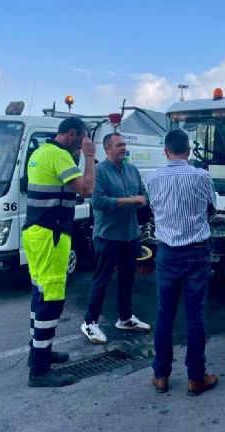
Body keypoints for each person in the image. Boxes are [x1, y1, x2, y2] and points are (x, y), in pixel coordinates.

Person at [23, 117, 96, 387]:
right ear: (74, 134)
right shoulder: (58, 155)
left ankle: (38, 352)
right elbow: (87, 189)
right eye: (83, 138)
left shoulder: (41, 152)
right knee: (51, 299)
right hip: (51, 233)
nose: (85, 144)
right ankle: (40, 371)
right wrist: (89, 157)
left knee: (38, 294)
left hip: (35, 231)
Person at [146, 129, 219, 396]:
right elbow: (212, 208)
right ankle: (196, 378)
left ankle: (160, 376)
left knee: (164, 315)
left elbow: (154, 210)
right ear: (188, 151)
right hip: (196, 252)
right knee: (195, 316)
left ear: (165, 152)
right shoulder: (202, 176)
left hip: (166, 252)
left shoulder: (152, 178)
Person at [80, 132, 150, 344]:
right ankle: (90, 323)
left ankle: (125, 317)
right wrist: (130, 201)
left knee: (128, 279)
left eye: (124, 144)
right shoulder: (100, 172)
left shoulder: (132, 170)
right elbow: (98, 201)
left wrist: (141, 201)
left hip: (130, 236)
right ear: (107, 149)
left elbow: (143, 195)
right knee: (101, 280)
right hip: (108, 236)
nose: (123, 148)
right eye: (119, 145)